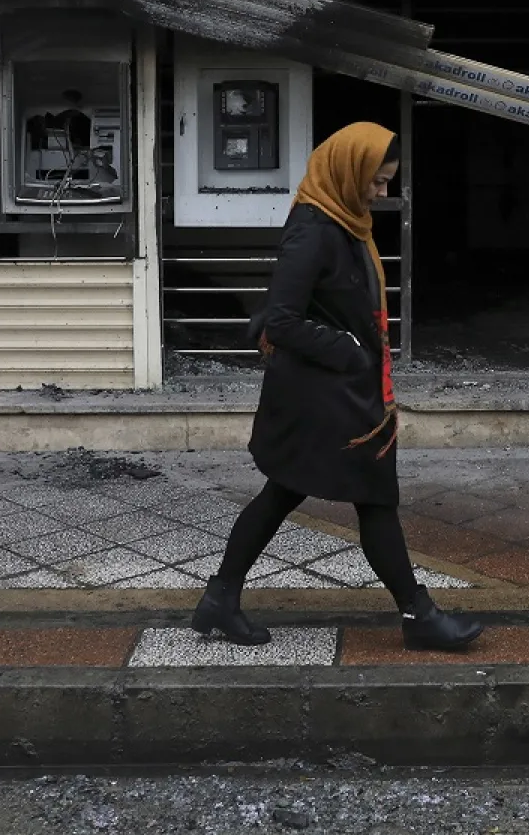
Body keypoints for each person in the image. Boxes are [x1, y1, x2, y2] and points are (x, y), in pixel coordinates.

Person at [192, 122, 483, 651]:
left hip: (330, 393)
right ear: (348, 171)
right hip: (325, 398)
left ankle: (221, 596)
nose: (382, 193)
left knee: (284, 491)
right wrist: (350, 352)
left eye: (388, 182)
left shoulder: (343, 220)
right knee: (373, 498)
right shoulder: (315, 229)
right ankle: (420, 616)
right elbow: (282, 320)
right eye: (377, 181)